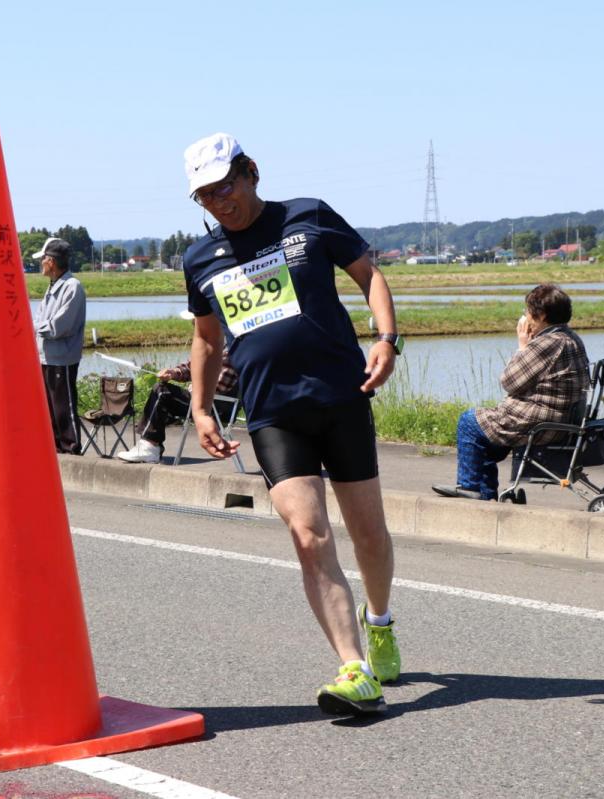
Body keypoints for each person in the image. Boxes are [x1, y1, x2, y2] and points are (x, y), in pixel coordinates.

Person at [181, 132, 402, 716]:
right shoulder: (199, 258)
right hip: (272, 413)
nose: (219, 202)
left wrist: (386, 339)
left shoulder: (308, 217)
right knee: (308, 536)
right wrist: (201, 408)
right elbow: (206, 339)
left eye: (224, 187)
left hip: (342, 396)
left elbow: (368, 275)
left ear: (251, 172)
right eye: (205, 196)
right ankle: (353, 669)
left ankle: (379, 621)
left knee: (369, 535)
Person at [432, 284, 589, 501]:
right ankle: (485, 496)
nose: (526, 317)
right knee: (485, 437)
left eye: (528, 312)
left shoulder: (547, 344)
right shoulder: (571, 338)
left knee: (469, 421)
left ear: (542, 315)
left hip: (538, 423)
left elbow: (509, 381)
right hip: (560, 420)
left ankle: (469, 486)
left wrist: (522, 346)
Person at [116, 348, 238, 464]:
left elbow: (221, 384)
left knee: (162, 391)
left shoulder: (233, 350)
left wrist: (197, 386)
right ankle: (149, 445)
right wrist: (173, 373)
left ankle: (150, 447)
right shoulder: (217, 345)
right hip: (200, 398)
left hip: (217, 406)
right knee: (161, 390)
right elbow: (192, 366)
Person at [32, 237, 86, 455]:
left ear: (51, 261)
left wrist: (34, 327)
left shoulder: (72, 287)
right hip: (46, 356)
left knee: (64, 407)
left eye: (43, 259)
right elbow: (39, 319)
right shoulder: (53, 285)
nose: (41, 263)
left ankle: (71, 449)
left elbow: (59, 326)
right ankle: (56, 450)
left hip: (62, 358)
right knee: (50, 407)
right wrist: (35, 326)